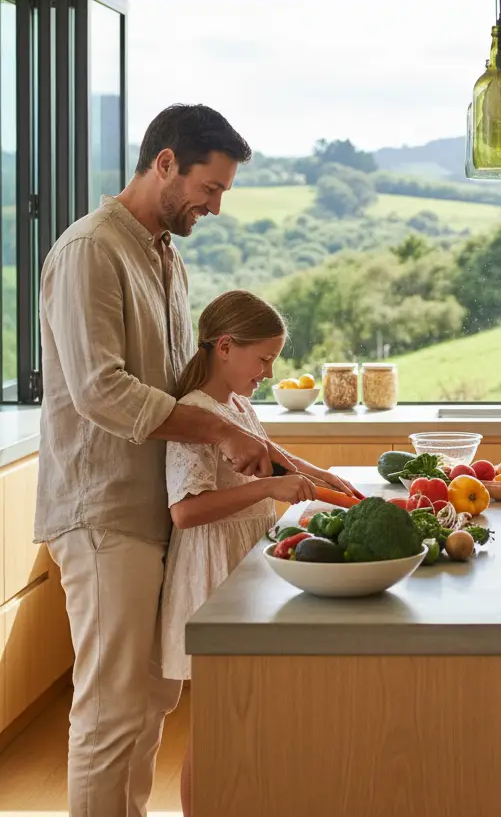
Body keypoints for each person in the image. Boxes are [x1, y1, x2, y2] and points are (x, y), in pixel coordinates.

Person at [34, 103, 344, 816]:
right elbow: (99, 391)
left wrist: (274, 453)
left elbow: (189, 394)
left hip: (151, 512)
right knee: (113, 712)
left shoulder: (162, 258)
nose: (217, 205)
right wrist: (229, 441)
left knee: (148, 706)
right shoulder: (91, 250)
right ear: (165, 162)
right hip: (102, 509)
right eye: (211, 187)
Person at [159, 290, 356, 816]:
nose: (269, 371)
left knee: (244, 712)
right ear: (225, 347)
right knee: (214, 721)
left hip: (241, 563)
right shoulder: (195, 414)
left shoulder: (237, 406)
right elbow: (185, 511)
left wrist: (315, 475)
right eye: (263, 358)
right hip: (210, 571)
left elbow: (272, 458)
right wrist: (268, 491)